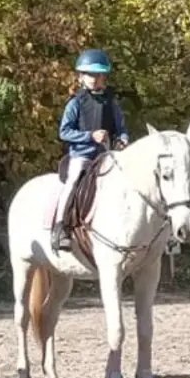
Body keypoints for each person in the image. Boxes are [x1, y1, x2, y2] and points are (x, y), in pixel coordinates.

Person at [52, 48, 130, 251]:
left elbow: (121, 129)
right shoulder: (75, 103)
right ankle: (61, 228)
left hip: (106, 156)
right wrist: (89, 136)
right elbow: (64, 132)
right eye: (90, 75)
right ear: (81, 77)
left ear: (105, 76)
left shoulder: (112, 103)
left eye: (99, 74)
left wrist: (122, 139)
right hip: (82, 156)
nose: (95, 79)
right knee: (72, 182)